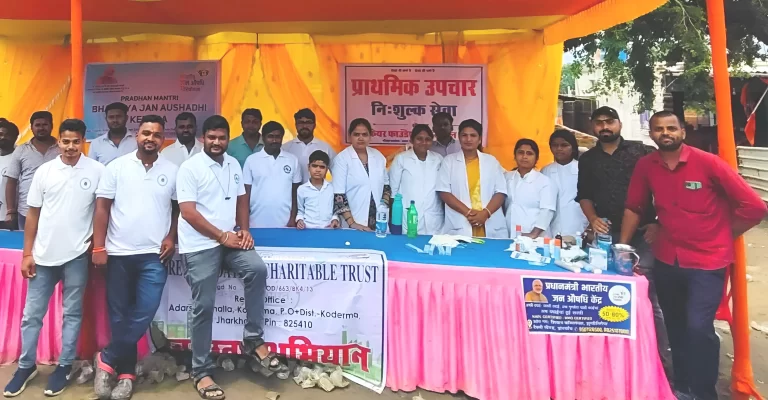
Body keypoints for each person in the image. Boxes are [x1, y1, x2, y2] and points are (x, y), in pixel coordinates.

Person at [620, 111, 768, 400]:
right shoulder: (646, 165)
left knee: (698, 327)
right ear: (651, 134)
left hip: (707, 262)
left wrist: (723, 234)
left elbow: (754, 207)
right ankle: (683, 387)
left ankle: (704, 392)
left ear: (683, 132)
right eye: (659, 129)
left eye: (671, 128)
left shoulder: (709, 163)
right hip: (667, 258)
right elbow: (635, 206)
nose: (666, 133)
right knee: (675, 326)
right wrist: (622, 248)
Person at [176, 115, 279, 400]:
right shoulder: (190, 168)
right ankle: (201, 371)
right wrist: (222, 236)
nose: (217, 142)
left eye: (222, 138)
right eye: (212, 137)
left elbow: (241, 199)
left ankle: (253, 339)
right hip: (200, 244)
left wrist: (243, 230)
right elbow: (188, 212)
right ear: (203, 138)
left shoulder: (234, 164)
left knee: (257, 269)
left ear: (227, 138)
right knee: (204, 305)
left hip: (229, 239)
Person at [2, 119, 104, 398]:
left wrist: (96, 245)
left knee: (72, 314)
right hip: (44, 256)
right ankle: (26, 367)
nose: (70, 147)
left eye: (76, 141)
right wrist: (27, 253)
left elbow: (101, 211)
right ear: (59, 141)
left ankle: (64, 366)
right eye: (65, 141)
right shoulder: (45, 171)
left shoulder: (97, 171)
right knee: (32, 316)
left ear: (83, 142)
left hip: (77, 256)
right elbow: (32, 214)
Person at [576, 106, 673, 382]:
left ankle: (660, 363)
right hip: (605, 235)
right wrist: (593, 219)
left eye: (609, 122)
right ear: (593, 127)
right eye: (599, 123)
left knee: (648, 297)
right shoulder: (588, 159)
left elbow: (663, 190)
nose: (604, 127)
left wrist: (657, 222)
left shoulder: (642, 152)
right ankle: (613, 361)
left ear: (619, 123)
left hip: (642, 234)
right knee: (604, 295)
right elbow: (584, 195)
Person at [91, 115, 179, 400]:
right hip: (118, 253)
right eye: (146, 133)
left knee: (145, 311)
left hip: (154, 256)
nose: (150, 138)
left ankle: (106, 356)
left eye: (157, 134)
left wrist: (171, 237)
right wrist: (99, 247)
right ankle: (126, 374)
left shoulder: (172, 170)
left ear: (163, 139)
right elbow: (102, 208)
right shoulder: (116, 167)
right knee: (119, 316)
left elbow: (178, 209)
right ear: (137, 135)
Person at [436, 119, 507, 238]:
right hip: (461, 222)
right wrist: (469, 213)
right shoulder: (449, 161)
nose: (468, 139)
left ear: (479, 139)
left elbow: (500, 192)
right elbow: (444, 192)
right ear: (459, 138)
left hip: (489, 222)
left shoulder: (491, 161)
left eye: (473, 135)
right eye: (464, 135)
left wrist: (485, 214)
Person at [3, 111, 60, 231]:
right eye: (37, 125)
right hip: (26, 211)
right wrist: (10, 211)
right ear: (31, 127)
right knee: (27, 241)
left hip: (56, 209)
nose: (41, 128)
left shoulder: (61, 149)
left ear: (52, 126)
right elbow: (11, 181)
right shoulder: (21, 150)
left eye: (45, 124)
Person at [332, 118, 391, 231]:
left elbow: (386, 187)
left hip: (379, 222)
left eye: (364, 134)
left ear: (370, 136)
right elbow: (339, 196)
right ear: (349, 136)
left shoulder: (378, 156)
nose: (360, 138)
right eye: (356, 134)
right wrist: (352, 223)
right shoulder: (342, 159)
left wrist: (383, 207)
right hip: (354, 224)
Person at [243, 121, 302, 228]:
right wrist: (244, 221)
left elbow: (296, 193)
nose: (274, 140)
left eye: (278, 137)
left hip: (285, 223)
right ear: (263, 138)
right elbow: (245, 194)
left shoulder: (292, 160)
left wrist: (293, 218)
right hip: (255, 221)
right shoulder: (251, 160)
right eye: (270, 136)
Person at [389, 124, 444, 235]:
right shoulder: (401, 158)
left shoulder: (438, 159)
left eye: (427, 139)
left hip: (434, 215)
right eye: (419, 138)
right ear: (412, 140)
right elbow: (393, 191)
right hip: (409, 213)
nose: (423, 142)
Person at [504, 139, 556, 239]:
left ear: (536, 158)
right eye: (520, 152)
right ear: (515, 156)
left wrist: (533, 234)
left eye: (529, 153)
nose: (524, 156)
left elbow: (547, 210)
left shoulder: (545, 182)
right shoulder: (507, 177)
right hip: (509, 232)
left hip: (535, 237)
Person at [541, 130, 588, 237]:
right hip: (552, 224)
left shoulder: (583, 168)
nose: (559, 149)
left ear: (573, 147)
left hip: (578, 222)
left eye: (564, 145)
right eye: (555, 145)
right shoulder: (545, 171)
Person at [282, 108, 337, 183]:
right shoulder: (285, 148)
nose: (304, 126)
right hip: (292, 190)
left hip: (318, 190)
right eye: (301, 122)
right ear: (296, 125)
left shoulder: (325, 147)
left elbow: (338, 173)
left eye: (308, 122)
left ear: (314, 125)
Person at [296, 150, 340, 229]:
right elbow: (300, 210)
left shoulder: (332, 188)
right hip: (307, 229)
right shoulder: (302, 189)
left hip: (328, 228)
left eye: (322, 167)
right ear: (308, 167)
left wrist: (335, 219)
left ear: (327, 169)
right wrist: (299, 220)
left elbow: (335, 210)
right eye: (314, 166)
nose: (318, 170)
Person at [0, 119, 19, 230]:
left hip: (11, 216)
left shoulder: (20, 156)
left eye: (7, 135)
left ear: (15, 137)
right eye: (0, 134)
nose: (3, 137)